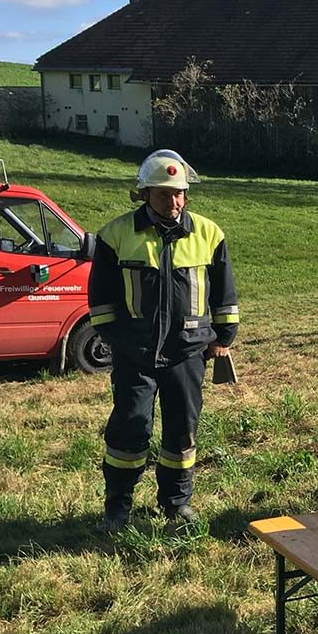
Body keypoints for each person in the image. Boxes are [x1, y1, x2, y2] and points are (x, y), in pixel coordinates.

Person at [88, 150, 239, 532]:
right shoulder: (116, 235)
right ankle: (117, 508)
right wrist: (116, 338)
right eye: (163, 194)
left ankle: (176, 503)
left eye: (179, 194)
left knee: (181, 431)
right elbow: (101, 298)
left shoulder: (209, 233)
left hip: (187, 354)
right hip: (134, 354)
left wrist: (223, 337)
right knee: (129, 428)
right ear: (145, 194)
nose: (173, 202)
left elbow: (224, 293)